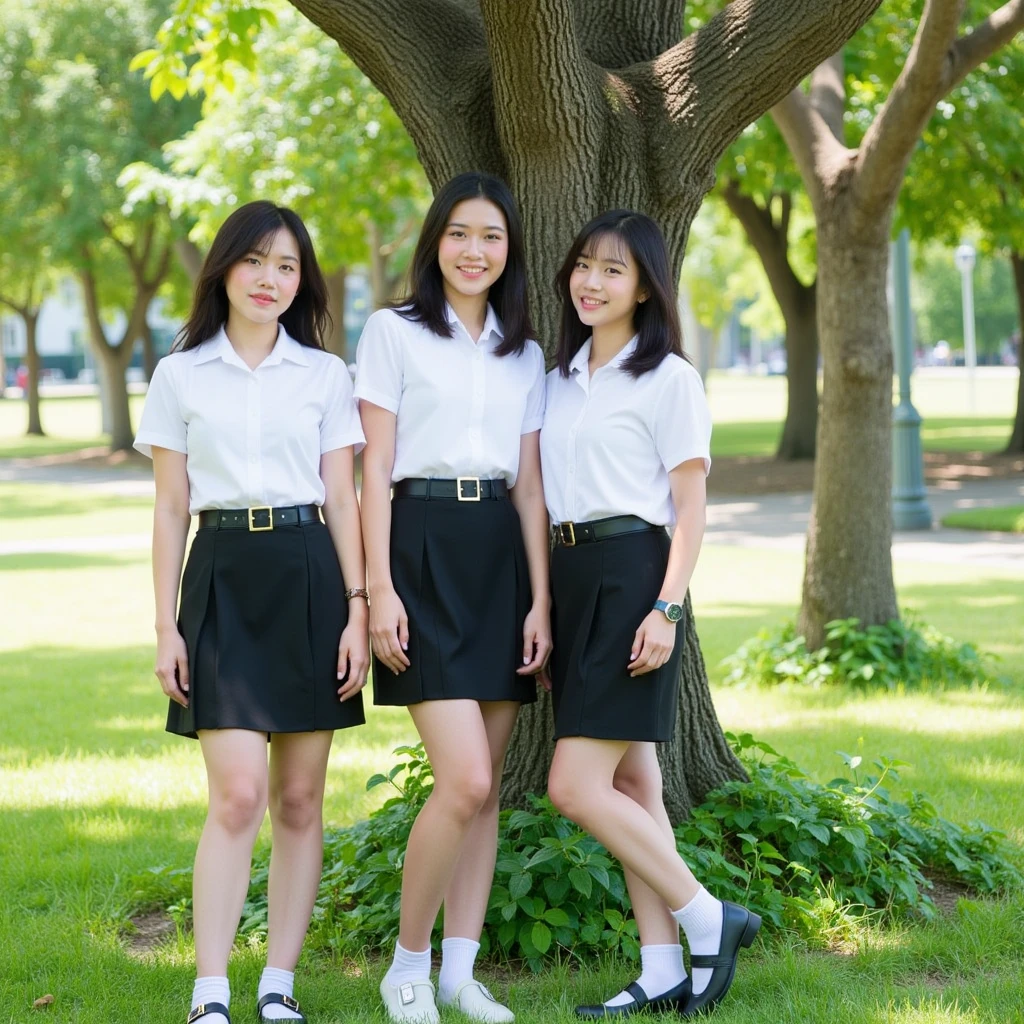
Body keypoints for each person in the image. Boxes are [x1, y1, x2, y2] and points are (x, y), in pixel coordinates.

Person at [134, 201, 369, 1024]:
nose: (271, 280)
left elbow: (343, 497)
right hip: (223, 580)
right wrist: (165, 624)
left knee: (301, 799)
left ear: (301, 281)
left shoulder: (326, 374)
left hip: (310, 575)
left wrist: (357, 609)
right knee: (236, 795)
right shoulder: (180, 373)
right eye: (256, 262)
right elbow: (170, 509)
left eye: (288, 266)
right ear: (225, 269)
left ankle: (279, 984)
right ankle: (209, 993)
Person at [541, 210, 760, 1019]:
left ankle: (709, 915)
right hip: (569, 578)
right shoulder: (556, 379)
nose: (593, 283)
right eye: (585, 266)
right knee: (635, 779)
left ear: (645, 288)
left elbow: (691, 510)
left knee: (574, 785)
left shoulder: (669, 378)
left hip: (634, 578)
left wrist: (666, 609)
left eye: (614, 271)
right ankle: (662, 965)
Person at [355, 171, 551, 1024]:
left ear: (509, 251)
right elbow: (371, 476)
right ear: (436, 241)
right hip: (419, 550)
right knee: (463, 779)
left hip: (499, 559)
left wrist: (542, 602)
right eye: (461, 234)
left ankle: (459, 975)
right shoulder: (391, 334)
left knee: (490, 786)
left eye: (493, 237)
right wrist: (377, 591)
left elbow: (534, 491)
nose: (476, 251)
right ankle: (406, 964)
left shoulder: (525, 350)